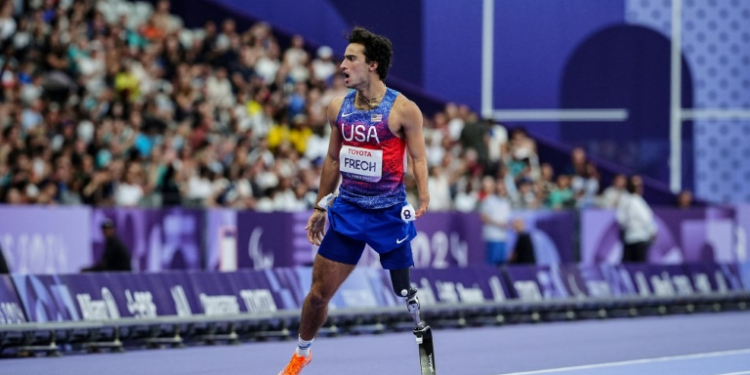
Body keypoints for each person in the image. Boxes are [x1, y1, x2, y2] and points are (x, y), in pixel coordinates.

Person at [277, 27, 430, 375]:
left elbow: (418, 159)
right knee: (318, 294)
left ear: (372, 65)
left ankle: (416, 311)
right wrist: (320, 206)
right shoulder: (337, 108)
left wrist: (424, 195)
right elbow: (333, 160)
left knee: (403, 291)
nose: (342, 64)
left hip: (389, 212)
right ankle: (302, 353)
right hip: (348, 211)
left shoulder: (404, 110)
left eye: (350, 58)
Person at [616, 175, 657, 263]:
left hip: (634, 238)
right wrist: (652, 231)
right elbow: (646, 219)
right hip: (637, 239)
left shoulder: (633, 200)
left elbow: (621, 219)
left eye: (640, 185)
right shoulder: (633, 200)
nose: (639, 188)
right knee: (636, 267)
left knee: (632, 267)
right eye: (637, 186)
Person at [480, 177, 512, 266]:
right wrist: (498, 224)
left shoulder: (506, 202)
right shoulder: (489, 200)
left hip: (503, 237)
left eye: (503, 186)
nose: (501, 188)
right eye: (499, 186)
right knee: (491, 264)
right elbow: (483, 217)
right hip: (492, 237)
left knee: (502, 264)